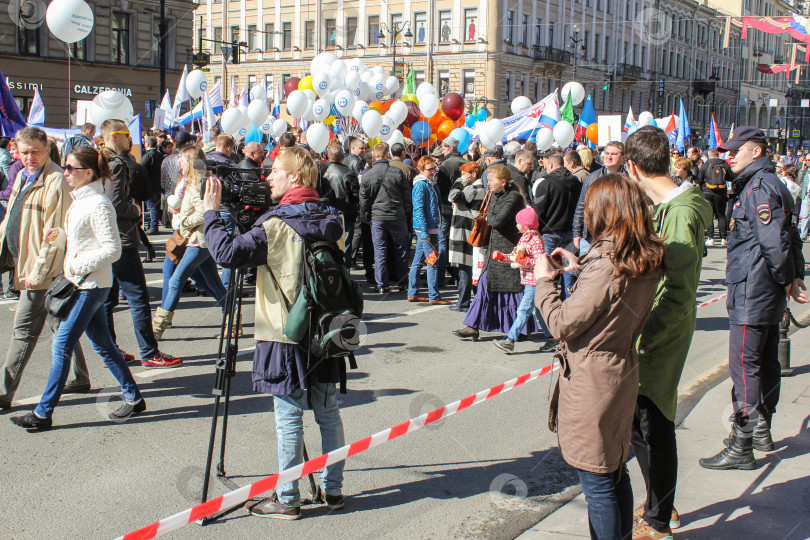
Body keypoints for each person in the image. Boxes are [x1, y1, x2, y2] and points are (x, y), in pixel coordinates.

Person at [203, 146, 347, 519]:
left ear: (294, 177)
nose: (267, 176)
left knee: (288, 419)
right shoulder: (334, 219)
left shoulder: (275, 224)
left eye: (274, 171)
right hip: (327, 330)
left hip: (283, 332)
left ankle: (288, 498)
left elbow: (226, 253)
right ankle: (333, 491)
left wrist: (214, 213)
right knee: (328, 414)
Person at [534, 174, 665, 540]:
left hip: (594, 378)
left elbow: (562, 323)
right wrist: (581, 267)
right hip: (619, 368)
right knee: (613, 472)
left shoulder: (607, 265)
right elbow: (607, 298)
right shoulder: (637, 255)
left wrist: (544, 280)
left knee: (598, 482)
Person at [9, 147, 145, 430]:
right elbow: (83, 241)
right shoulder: (82, 201)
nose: (66, 172)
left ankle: (43, 414)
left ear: (88, 172)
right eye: (66, 167)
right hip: (84, 282)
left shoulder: (98, 203)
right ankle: (134, 398)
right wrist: (61, 238)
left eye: (70, 168)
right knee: (103, 344)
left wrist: (76, 266)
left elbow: (112, 249)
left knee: (61, 345)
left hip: (91, 285)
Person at [700, 127, 807, 471]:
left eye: (735, 152)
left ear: (756, 152)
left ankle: (741, 444)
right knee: (765, 361)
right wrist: (793, 277)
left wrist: (787, 278)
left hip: (754, 289)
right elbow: (792, 240)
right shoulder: (771, 184)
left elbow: (776, 243)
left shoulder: (760, 187)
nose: (727, 157)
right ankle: (761, 430)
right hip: (764, 288)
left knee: (745, 368)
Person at [624, 126, 712, 540]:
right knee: (642, 425)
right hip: (659, 330)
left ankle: (660, 519)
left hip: (660, 335)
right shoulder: (674, 206)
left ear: (632, 168)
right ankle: (661, 500)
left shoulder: (678, 213)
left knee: (653, 424)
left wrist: (645, 340)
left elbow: (677, 292)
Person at [0, 127, 92, 409]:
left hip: (41, 271)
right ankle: (80, 377)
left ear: (46, 149)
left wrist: (37, 273)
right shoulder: (22, 176)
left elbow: (55, 236)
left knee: (24, 331)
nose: (29, 157)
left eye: (35, 152)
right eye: (24, 152)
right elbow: (11, 221)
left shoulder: (56, 181)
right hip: (24, 263)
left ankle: (4, 394)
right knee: (60, 323)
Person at [99, 119, 182, 369]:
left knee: (107, 298)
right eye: (126, 134)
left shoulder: (96, 160)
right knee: (137, 296)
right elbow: (114, 204)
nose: (131, 139)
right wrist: (134, 209)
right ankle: (149, 352)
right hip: (121, 238)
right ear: (114, 136)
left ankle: (111, 350)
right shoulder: (115, 165)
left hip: (105, 238)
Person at [152, 146, 229, 339]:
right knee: (215, 285)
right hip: (201, 240)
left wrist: (186, 222)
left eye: (182, 159)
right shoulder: (197, 181)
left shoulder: (196, 183)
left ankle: (157, 328)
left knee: (177, 280)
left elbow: (204, 211)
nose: (179, 162)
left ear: (190, 161)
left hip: (198, 240)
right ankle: (232, 321)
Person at [452, 165, 533, 341]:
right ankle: (472, 327)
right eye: (487, 180)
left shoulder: (514, 198)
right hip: (492, 251)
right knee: (484, 287)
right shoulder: (493, 195)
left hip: (508, 252)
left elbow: (497, 220)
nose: (487, 183)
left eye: (491, 180)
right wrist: (487, 215)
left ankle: (520, 328)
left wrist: (486, 216)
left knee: (512, 291)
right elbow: (491, 217)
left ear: (503, 182)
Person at [493, 208, 551, 353]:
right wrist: (502, 257)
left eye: (518, 223)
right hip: (529, 282)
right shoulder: (525, 238)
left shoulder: (534, 240)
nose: (516, 225)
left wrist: (524, 260)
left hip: (534, 282)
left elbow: (539, 261)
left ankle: (510, 340)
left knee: (523, 311)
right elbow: (515, 257)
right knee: (538, 312)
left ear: (525, 225)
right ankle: (553, 337)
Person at [359, 142, 412, 293]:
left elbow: (363, 201)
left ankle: (383, 284)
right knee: (401, 250)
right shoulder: (397, 172)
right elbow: (407, 196)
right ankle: (402, 282)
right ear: (387, 155)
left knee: (380, 251)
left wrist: (369, 217)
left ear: (374, 156)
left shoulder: (367, 175)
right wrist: (405, 212)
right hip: (397, 216)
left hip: (378, 217)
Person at [533, 154, 582, 300]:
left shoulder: (546, 183)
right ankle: (567, 303)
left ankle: (549, 303)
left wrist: (537, 229)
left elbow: (539, 210)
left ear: (551, 166)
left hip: (549, 233)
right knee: (567, 272)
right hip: (569, 231)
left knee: (547, 272)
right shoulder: (576, 182)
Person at [408, 156, 450, 305]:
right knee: (433, 262)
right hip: (426, 229)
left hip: (428, 228)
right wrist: (424, 232)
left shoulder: (430, 184)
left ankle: (413, 292)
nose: (433, 171)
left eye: (434, 168)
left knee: (418, 261)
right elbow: (418, 209)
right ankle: (434, 296)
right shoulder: (421, 185)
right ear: (421, 169)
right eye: (430, 169)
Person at [573, 141, 625, 254]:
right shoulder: (592, 178)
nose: (609, 157)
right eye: (606, 153)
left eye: (613, 154)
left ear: (623, 158)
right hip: (591, 237)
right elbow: (581, 205)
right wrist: (577, 233)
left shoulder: (629, 179)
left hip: (619, 236)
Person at [448, 161, 485, 312]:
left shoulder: (475, 188)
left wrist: (460, 181)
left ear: (474, 174)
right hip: (468, 229)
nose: (462, 176)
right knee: (469, 266)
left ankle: (464, 302)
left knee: (466, 266)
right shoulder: (474, 187)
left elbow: (452, 196)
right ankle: (469, 301)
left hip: (467, 231)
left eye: (465, 173)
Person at [321, 145, 360, 265]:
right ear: (342, 157)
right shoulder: (348, 173)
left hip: (327, 214)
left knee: (329, 244)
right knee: (345, 245)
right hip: (345, 214)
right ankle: (344, 272)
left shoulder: (322, 173)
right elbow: (356, 195)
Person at [697, 148, 733, 247]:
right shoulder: (724, 164)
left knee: (710, 215)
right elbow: (731, 177)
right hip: (721, 192)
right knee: (721, 215)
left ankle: (710, 238)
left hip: (708, 192)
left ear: (709, 156)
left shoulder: (705, 165)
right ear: (718, 155)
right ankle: (724, 238)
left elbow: (699, 180)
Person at [140, 136, 168, 235]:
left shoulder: (148, 156)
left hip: (150, 184)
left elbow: (141, 169)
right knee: (156, 205)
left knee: (152, 206)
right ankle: (154, 224)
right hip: (159, 183)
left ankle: (153, 226)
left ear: (147, 144)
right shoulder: (160, 156)